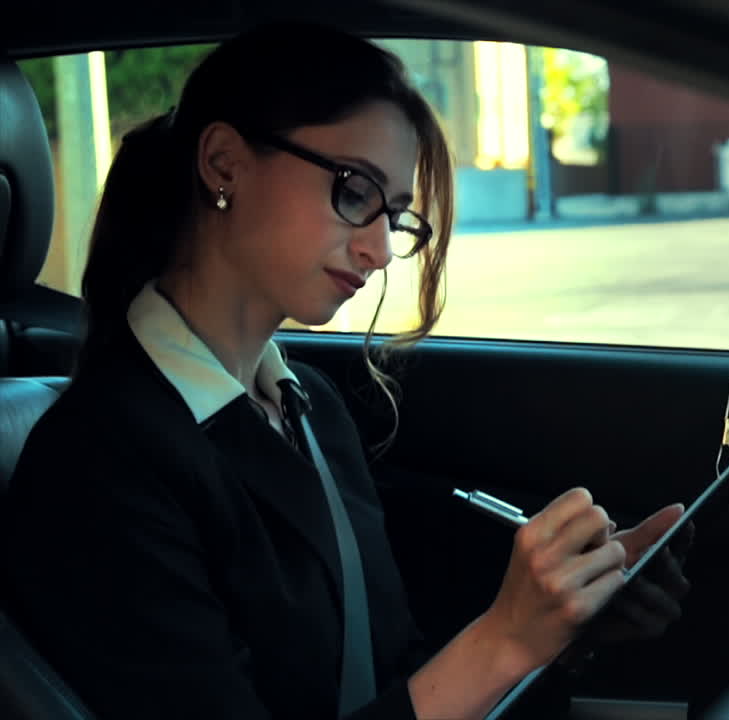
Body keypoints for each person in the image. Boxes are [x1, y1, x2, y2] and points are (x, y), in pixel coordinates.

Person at [1, 22, 691, 720]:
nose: (381, 249)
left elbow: (390, 674)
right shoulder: (100, 462)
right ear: (223, 164)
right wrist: (505, 640)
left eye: (393, 214)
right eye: (355, 192)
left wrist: (563, 626)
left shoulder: (311, 408)